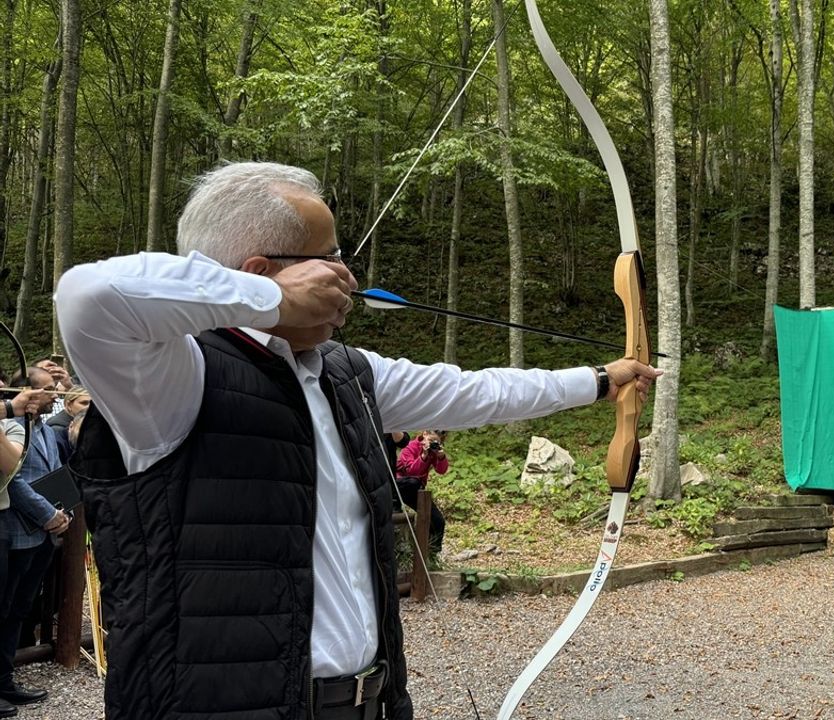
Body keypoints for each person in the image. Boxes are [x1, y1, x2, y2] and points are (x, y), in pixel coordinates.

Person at [55, 161, 659, 720]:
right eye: (329, 256)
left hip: (367, 703)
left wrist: (601, 380)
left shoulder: (346, 372)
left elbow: (478, 391)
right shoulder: (175, 379)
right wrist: (274, 300)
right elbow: (89, 295)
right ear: (260, 270)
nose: (347, 275)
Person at [0, 368, 71, 718]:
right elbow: (14, 481)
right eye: (45, 389)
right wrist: (47, 515)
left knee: (18, 609)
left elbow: (53, 474)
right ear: (24, 393)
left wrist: (63, 511)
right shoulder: (15, 426)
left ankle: (4, 679)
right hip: (14, 530)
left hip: (40, 534)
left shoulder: (43, 429)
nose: (54, 393)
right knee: (4, 608)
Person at [395, 431, 450, 556]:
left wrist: (440, 456)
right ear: (424, 434)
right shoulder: (410, 446)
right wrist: (424, 456)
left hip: (417, 489)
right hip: (400, 485)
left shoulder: (434, 450)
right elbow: (412, 471)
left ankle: (431, 553)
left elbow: (441, 470)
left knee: (437, 520)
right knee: (414, 481)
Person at [44, 386, 90, 462]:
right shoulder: (57, 430)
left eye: (92, 404)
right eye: (84, 403)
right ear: (68, 405)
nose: (89, 407)